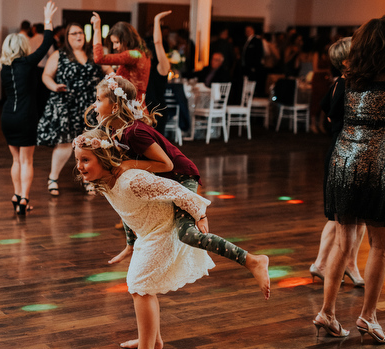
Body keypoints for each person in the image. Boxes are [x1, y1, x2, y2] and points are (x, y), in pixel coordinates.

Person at [73, 128, 270, 349]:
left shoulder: (132, 180)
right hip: (148, 233)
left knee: (140, 285)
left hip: (165, 231)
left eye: (85, 160)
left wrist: (200, 214)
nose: (79, 166)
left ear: (103, 158)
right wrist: (130, 244)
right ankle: (152, 340)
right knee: (142, 287)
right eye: (78, 160)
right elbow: (125, 212)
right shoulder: (104, 183)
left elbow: (177, 191)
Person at [87, 74, 270, 287]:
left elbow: (167, 165)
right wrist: (131, 244)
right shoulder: (113, 131)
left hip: (181, 176)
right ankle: (132, 243)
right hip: (163, 181)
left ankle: (253, 260)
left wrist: (198, 211)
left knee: (188, 235)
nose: (95, 104)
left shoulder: (134, 132)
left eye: (99, 99)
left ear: (116, 106)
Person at [316, 15, 385, 344]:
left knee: (344, 241)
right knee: (383, 245)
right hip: (371, 168)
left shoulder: (349, 75)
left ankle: (327, 312)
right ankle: (369, 317)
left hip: (340, 162)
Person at [310, 37, 365, 288]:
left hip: (344, 151)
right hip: (345, 153)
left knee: (351, 215)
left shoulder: (339, 83)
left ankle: (341, 264)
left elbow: (329, 114)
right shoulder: (348, 85)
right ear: (346, 61)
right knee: (342, 216)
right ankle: (326, 264)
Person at [0, 1, 57, 215]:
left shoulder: (4, 68)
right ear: (23, 48)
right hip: (25, 116)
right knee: (27, 160)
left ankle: (16, 195)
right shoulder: (27, 63)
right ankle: (24, 199)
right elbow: (46, 44)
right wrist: (48, 21)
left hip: (7, 117)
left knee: (16, 160)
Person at [36, 22, 107, 196]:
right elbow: (45, 75)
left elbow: (109, 70)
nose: (78, 36)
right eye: (74, 33)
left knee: (89, 145)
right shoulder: (59, 54)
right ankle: (53, 178)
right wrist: (53, 86)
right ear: (67, 37)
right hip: (66, 102)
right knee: (65, 144)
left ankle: (88, 179)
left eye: (81, 32)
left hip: (89, 105)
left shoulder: (92, 53)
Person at [91, 12, 151, 100]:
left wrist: (96, 29)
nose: (115, 47)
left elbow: (99, 58)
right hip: (137, 104)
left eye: (117, 42)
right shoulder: (141, 54)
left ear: (127, 40)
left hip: (131, 106)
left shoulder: (133, 55)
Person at [145, 11, 172, 139]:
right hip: (144, 110)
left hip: (157, 112)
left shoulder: (162, 67)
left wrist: (157, 21)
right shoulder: (143, 67)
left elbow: (158, 43)